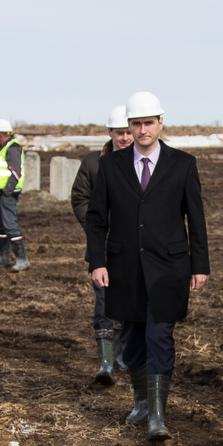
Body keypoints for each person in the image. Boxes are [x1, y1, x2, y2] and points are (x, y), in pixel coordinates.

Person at [85, 91, 210, 441]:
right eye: (136, 124)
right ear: (129, 126)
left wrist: (200, 265)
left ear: (160, 123)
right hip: (123, 267)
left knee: (160, 335)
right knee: (132, 338)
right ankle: (141, 401)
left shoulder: (183, 163)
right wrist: (97, 262)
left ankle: (158, 415)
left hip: (170, 267)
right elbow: (96, 219)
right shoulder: (110, 165)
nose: (142, 130)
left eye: (148, 123)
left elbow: (196, 219)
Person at [71, 105, 135, 397]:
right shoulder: (93, 163)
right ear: (110, 133)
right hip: (105, 247)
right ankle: (106, 363)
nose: (125, 137)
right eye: (119, 132)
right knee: (104, 301)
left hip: (136, 248)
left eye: (128, 131)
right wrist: (96, 225)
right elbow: (79, 198)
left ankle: (123, 357)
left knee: (130, 302)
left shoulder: (145, 161)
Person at [0, 119, 29, 271]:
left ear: (0, 134)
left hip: (6, 194)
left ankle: (22, 260)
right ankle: (2, 257)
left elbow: (16, 172)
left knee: (10, 226)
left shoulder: (13, 148)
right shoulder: (0, 148)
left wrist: (7, 191)